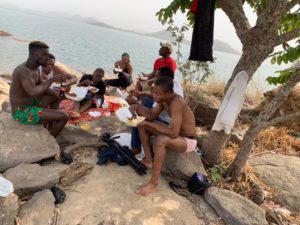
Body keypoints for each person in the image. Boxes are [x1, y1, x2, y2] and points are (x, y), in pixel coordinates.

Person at [131, 77, 196, 196]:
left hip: (188, 140)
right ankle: (148, 160)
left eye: (157, 94)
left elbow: (173, 133)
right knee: (142, 125)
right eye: (153, 92)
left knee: (161, 140)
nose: (154, 96)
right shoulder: (163, 100)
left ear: (169, 93)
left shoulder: (176, 103)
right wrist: (137, 107)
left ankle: (153, 183)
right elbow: (151, 116)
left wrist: (147, 123)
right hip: (177, 135)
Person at [9, 41, 69, 137]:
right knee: (64, 116)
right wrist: (52, 79)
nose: (48, 57)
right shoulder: (23, 71)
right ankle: (49, 142)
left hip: (33, 104)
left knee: (56, 96)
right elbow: (32, 92)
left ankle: (50, 125)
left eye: (48, 54)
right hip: (21, 112)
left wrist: (57, 95)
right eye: (44, 54)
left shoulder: (35, 68)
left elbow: (42, 85)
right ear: (33, 54)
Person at [128, 67, 184, 155]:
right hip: (166, 120)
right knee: (144, 101)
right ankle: (146, 156)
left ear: (164, 80)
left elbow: (151, 116)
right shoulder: (173, 86)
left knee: (139, 120)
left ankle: (136, 148)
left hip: (167, 123)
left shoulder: (170, 98)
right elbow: (153, 98)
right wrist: (139, 96)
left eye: (157, 77)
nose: (155, 79)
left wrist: (136, 105)